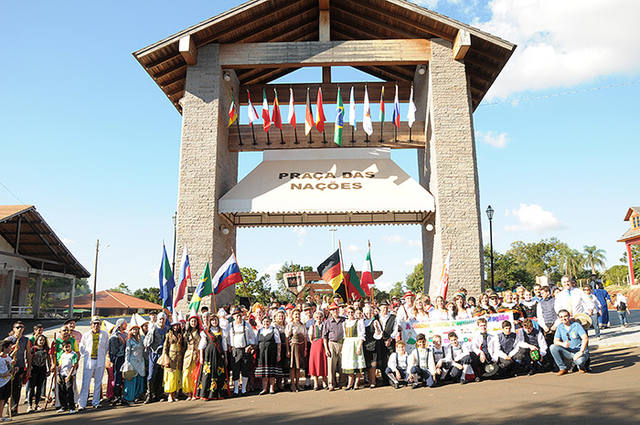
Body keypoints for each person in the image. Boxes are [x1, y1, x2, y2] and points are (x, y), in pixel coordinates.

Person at [78, 316, 109, 410]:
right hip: (89, 361)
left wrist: (103, 356)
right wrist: (86, 356)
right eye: (94, 323)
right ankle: (82, 404)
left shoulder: (104, 334)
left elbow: (106, 347)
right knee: (85, 383)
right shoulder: (86, 335)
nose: (96, 325)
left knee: (98, 382)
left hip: (100, 360)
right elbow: (82, 347)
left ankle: (96, 402)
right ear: (91, 324)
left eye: (98, 323)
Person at [195, 315, 229, 400]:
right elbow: (202, 346)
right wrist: (201, 357)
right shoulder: (206, 332)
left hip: (219, 354)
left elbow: (224, 345)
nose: (214, 322)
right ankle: (206, 394)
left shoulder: (222, 331)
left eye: (216, 320)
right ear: (210, 321)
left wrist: (225, 357)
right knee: (207, 374)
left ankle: (219, 394)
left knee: (219, 373)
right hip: (209, 355)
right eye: (212, 320)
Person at [550, 309, 590, 375]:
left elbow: (585, 338)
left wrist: (581, 352)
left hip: (579, 351)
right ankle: (562, 368)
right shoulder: (560, 327)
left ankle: (581, 367)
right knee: (553, 347)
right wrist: (562, 344)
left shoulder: (576, 325)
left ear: (569, 316)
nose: (564, 318)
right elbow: (555, 341)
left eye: (565, 316)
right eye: (561, 317)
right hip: (568, 351)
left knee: (579, 361)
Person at [227, 308, 256, 396]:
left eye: (240, 315)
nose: (238, 317)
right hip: (235, 350)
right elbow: (227, 338)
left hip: (245, 349)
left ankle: (243, 389)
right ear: (233, 316)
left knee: (245, 370)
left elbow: (253, 337)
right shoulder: (230, 325)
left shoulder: (247, 325)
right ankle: (236, 389)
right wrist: (229, 346)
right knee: (235, 370)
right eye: (236, 315)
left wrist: (250, 346)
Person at [6, 321, 32, 415]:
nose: (19, 329)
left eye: (21, 327)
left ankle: (14, 409)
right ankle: (6, 408)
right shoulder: (8, 340)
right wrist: (12, 349)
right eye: (17, 327)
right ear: (14, 329)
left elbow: (28, 354)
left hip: (20, 366)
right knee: (8, 388)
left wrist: (29, 367)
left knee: (17, 388)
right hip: (8, 367)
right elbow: (3, 354)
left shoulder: (26, 340)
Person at [144, 312, 169, 403]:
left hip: (163, 354)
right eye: (160, 319)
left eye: (163, 319)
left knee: (160, 374)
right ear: (157, 320)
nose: (162, 321)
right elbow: (146, 342)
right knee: (151, 375)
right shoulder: (153, 328)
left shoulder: (167, 329)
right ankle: (149, 394)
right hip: (154, 353)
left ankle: (159, 394)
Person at [341, 306, 366, 390]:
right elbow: (344, 336)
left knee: (357, 364)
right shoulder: (344, 323)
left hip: (356, 343)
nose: (350, 314)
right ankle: (350, 383)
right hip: (348, 344)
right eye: (349, 312)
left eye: (352, 312)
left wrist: (359, 346)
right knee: (349, 365)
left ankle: (356, 383)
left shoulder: (358, 322)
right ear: (346, 313)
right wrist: (343, 348)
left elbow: (362, 335)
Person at [255, 315, 281, 395]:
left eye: (267, 322)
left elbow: (278, 343)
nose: (266, 323)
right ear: (262, 323)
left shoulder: (274, 330)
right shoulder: (260, 331)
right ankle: (264, 388)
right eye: (264, 322)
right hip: (262, 354)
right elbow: (256, 342)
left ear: (270, 322)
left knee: (271, 372)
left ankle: (271, 388)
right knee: (264, 373)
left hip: (271, 353)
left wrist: (278, 354)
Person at [323, 302, 344, 391]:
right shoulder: (327, 322)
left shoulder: (344, 320)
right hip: (332, 343)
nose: (335, 311)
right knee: (331, 365)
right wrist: (326, 348)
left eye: (336, 309)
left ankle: (342, 383)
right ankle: (331, 384)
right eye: (333, 310)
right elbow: (324, 336)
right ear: (330, 311)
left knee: (342, 364)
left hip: (342, 343)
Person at [122, 323, 146, 403]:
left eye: (136, 329)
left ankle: (138, 396)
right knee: (131, 380)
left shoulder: (142, 338)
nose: (135, 331)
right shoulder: (129, 340)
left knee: (140, 379)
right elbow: (127, 351)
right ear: (131, 331)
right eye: (133, 329)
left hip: (140, 361)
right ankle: (129, 397)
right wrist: (127, 362)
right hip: (132, 361)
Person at [162, 319, 184, 402]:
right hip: (171, 357)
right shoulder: (168, 335)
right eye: (174, 325)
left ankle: (174, 394)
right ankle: (170, 395)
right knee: (170, 376)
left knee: (176, 376)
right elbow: (165, 347)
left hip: (179, 357)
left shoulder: (180, 334)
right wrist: (166, 357)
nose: (176, 327)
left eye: (177, 325)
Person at [285, 309, 306, 392]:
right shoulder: (290, 325)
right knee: (292, 366)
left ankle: (298, 383)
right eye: (295, 314)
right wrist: (288, 350)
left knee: (298, 367)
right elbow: (287, 337)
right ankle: (292, 384)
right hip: (293, 346)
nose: (297, 316)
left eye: (298, 314)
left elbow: (305, 337)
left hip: (301, 346)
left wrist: (305, 349)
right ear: (293, 316)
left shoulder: (302, 325)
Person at [28, 335, 50, 412]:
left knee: (39, 388)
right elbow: (29, 359)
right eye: (40, 340)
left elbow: (48, 359)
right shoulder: (33, 349)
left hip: (42, 369)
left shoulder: (46, 349)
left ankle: (36, 404)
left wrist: (49, 369)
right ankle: (29, 405)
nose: (42, 341)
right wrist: (29, 369)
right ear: (37, 340)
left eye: (43, 340)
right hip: (34, 369)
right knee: (31, 388)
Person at [108, 318, 128, 406]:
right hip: (118, 359)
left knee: (123, 377)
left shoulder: (126, 334)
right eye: (125, 323)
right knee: (117, 377)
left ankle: (122, 395)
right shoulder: (114, 336)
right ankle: (116, 396)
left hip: (125, 358)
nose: (126, 325)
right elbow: (113, 351)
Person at [362, 305, 382, 388]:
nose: (368, 315)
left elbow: (379, 334)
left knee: (373, 364)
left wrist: (377, 328)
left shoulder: (375, 321)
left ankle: (373, 381)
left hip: (374, 344)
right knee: (367, 364)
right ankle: (369, 381)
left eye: (370, 313)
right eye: (366, 313)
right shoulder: (362, 322)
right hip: (365, 345)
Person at [182, 314, 201, 400]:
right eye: (192, 321)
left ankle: (194, 393)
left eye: (195, 321)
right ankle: (188, 392)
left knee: (195, 375)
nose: (193, 323)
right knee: (186, 374)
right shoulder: (186, 333)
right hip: (188, 355)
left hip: (196, 355)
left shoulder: (200, 332)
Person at [307, 310, 327, 391]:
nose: (319, 318)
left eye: (320, 317)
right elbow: (310, 338)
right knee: (315, 364)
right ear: (314, 318)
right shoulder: (312, 326)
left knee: (323, 363)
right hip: (315, 346)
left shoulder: (325, 325)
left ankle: (324, 382)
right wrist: (316, 343)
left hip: (323, 345)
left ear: (322, 318)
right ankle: (316, 383)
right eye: (317, 317)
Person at [57, 340, 78, 414]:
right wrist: (58, 375)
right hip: (62, 374)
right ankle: (63, 406)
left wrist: (69, 376)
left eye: (68, 346)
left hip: (69, 375)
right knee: (62, 391)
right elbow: (60, 365)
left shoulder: (73, 354)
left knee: (69, 391)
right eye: (65, 347)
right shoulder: (62, 355)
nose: (67, 348)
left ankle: (72, 407)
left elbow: (73, 365)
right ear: (63, 348)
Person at [272, 309, 289, 390]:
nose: (281, 317)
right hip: (277, 347)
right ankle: (277, 383)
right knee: (278, 365)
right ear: (276, 317)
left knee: (285, 365)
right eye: (279, 316)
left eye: (282, 316)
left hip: (285, 346)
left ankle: (285, 382)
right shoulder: (274, 326)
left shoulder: (286, 325)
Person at [0, 340, 14, 421]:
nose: (11, 348)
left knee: (3, 399)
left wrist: (13, 368)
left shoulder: (8, 357)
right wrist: (5, 373)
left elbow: (9, 369)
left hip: (7, 381)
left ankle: (0, 416)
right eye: (9, 347)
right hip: (1, 382)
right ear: (4, 348)